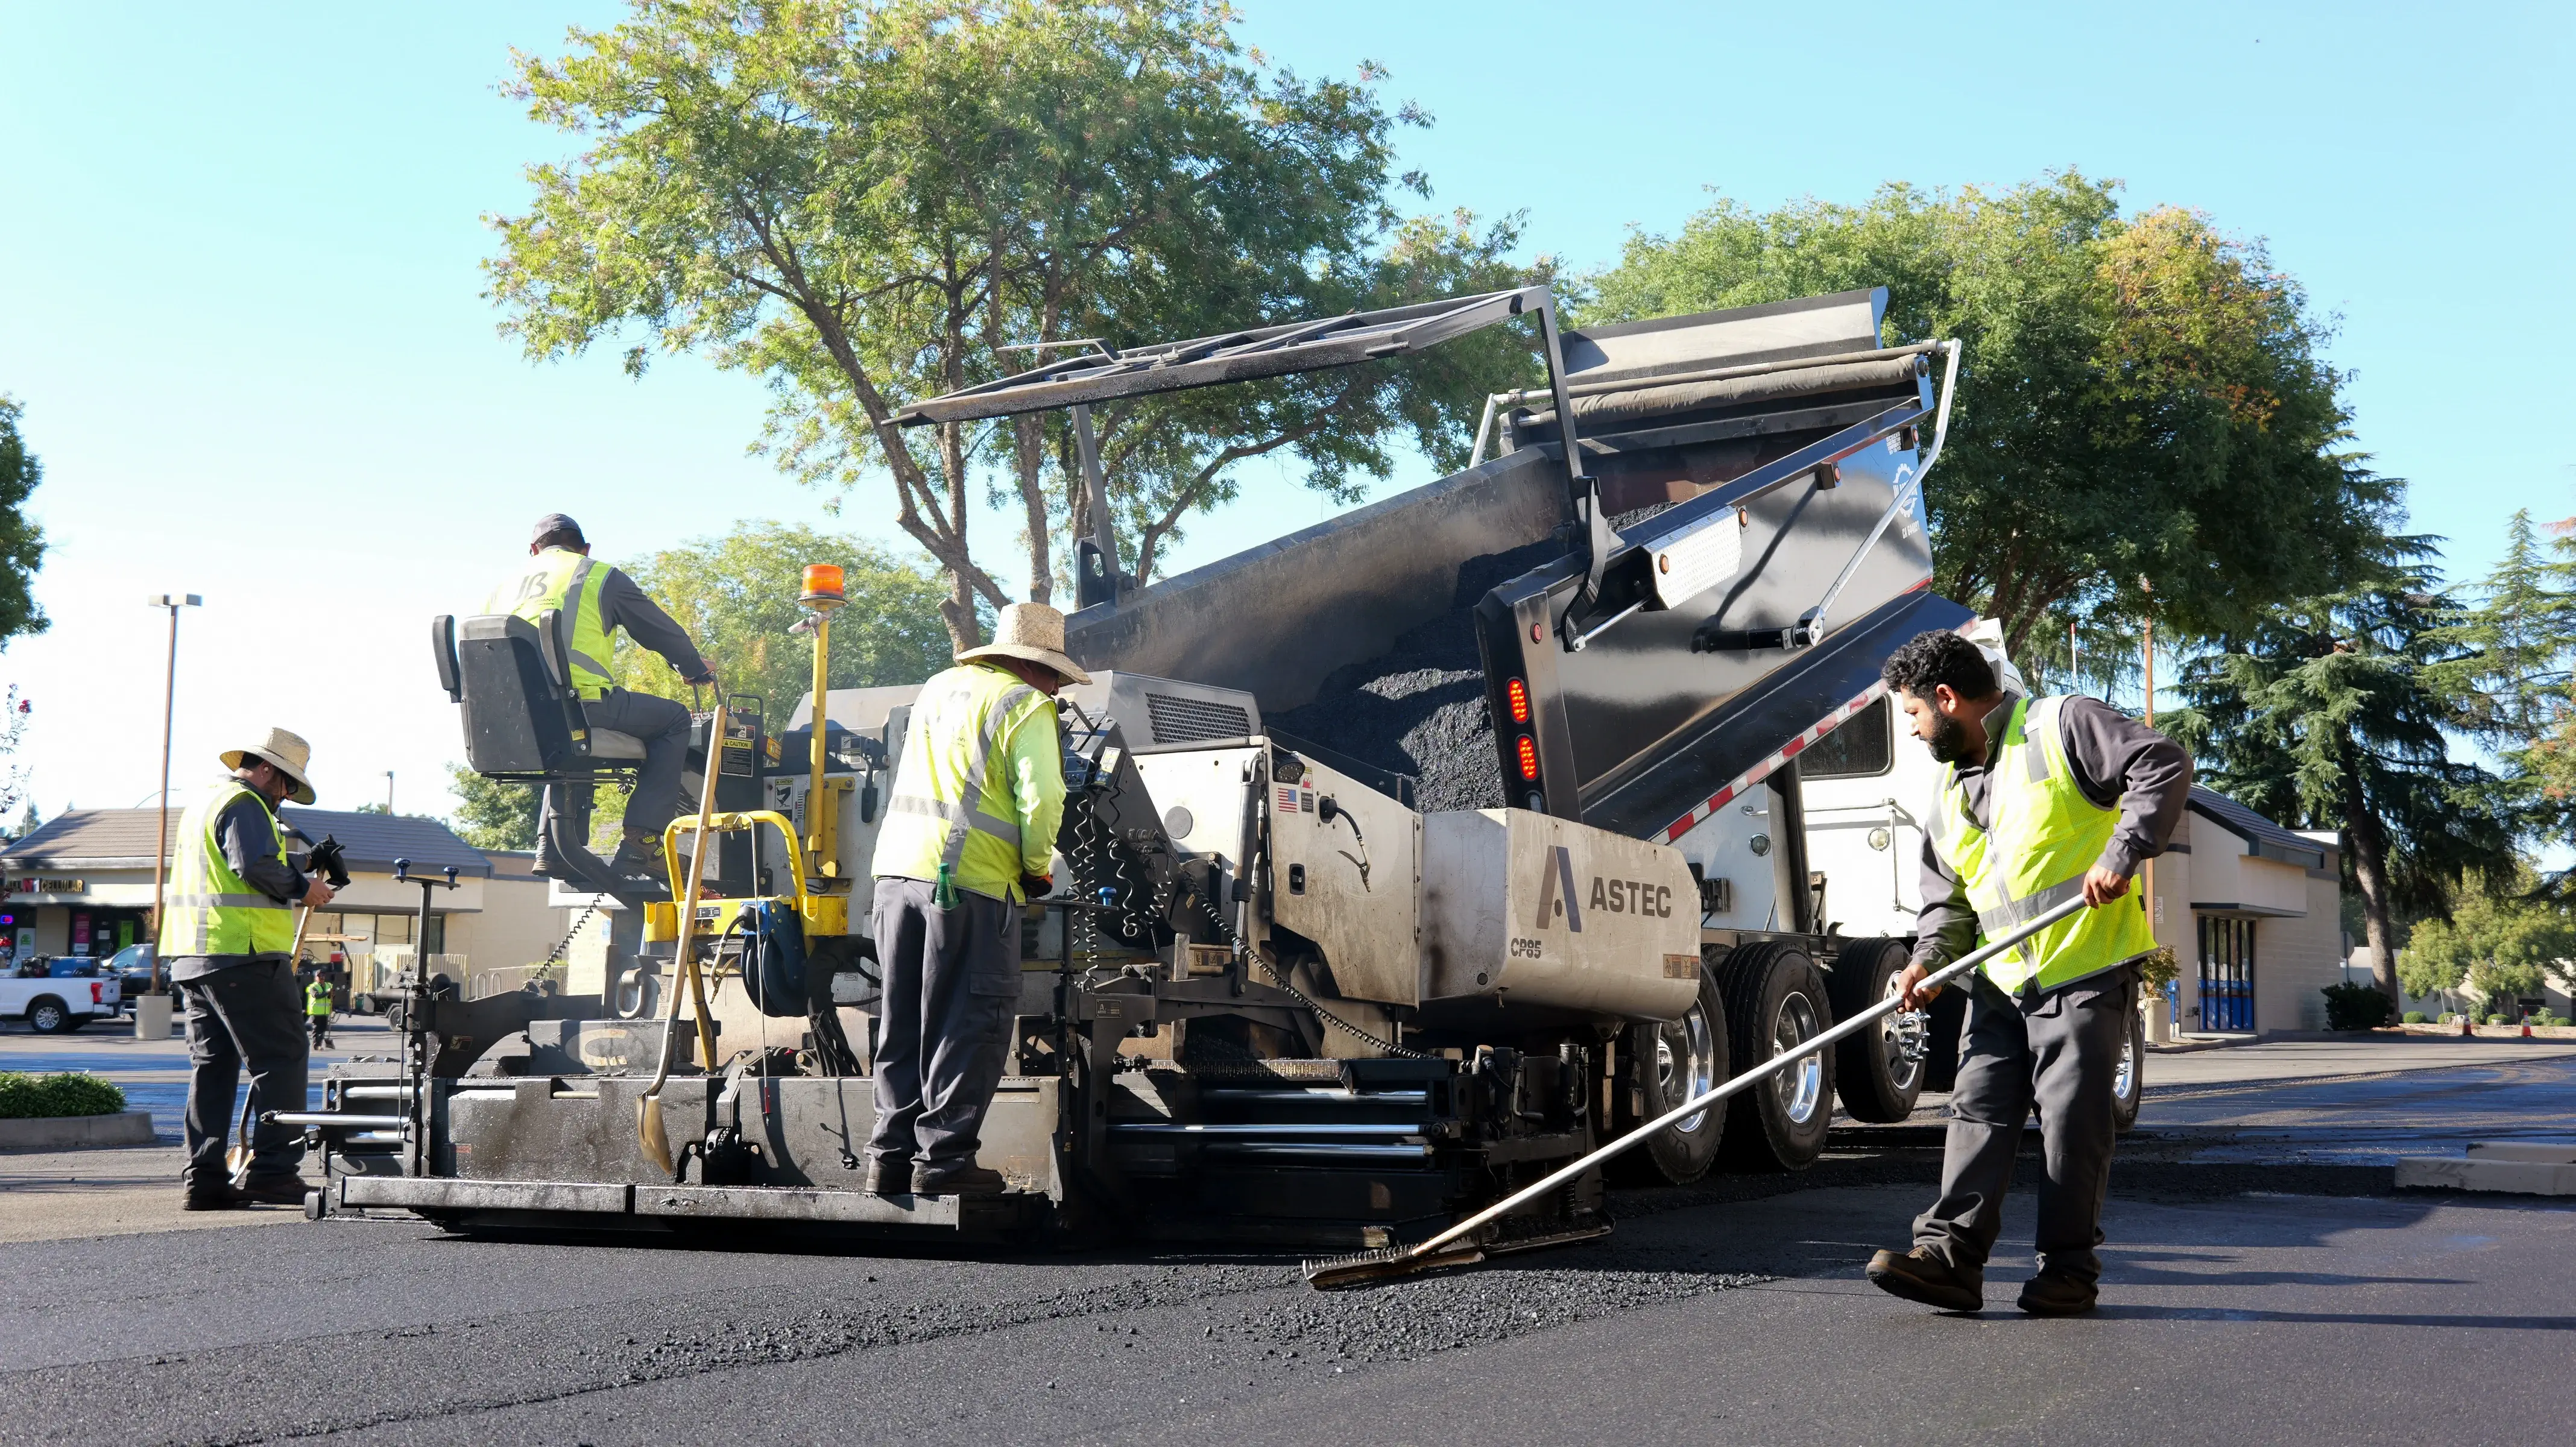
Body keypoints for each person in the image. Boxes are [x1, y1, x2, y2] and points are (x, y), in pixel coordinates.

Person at [1864, 629, 2189, 1317]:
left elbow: (2161, 764)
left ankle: (2067, 1274)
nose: (1916, 732)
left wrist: (2123, 853)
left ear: (1947, 699)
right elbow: (1947, 904)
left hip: (2083, 964)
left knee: (2072, 1126)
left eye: (1914, 716)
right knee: (1976, 1109)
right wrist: (1926, 963)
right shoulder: (1948, 795)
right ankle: (1950, 1261)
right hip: (2004, 979)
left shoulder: (2060, 726)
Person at [864, 602, 1082, 1198]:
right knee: (970, 1021)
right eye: (1056, 675)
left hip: (894, 879)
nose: (1058, 688)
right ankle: (944, 1163)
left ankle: (889, 1159)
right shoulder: (1025, 703)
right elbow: (1045, 799)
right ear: (1033, 666)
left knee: (903, 1018)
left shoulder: (940, 688)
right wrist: (1037, 869)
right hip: (971, 885)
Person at [490, 514, 718, 888]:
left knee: (559, 738)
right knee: (675, 720)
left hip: (516, 719)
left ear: (533, 550)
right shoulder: (595, 575)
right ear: (585, 549)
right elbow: (659, 630)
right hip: (583, 704)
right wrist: (693, 668)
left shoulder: (502, 588)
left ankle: (549, 846)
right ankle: (644, 841)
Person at [161, 728, 337, 1211]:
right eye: (284, 785)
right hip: (244, 953)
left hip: (196, 958)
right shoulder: (246, 804)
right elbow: (254, 867)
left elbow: (235, 862)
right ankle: (273, 1173)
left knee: (214, 1070)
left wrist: (303, 863)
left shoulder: (207, 802)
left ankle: (206, 1179)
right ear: (265, 769)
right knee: (282, 1058)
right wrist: (305, 888)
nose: (283, 796)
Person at [305, 973, 333, 1048]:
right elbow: (316, 996)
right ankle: (316, 1044)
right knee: (317, 1028)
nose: (322, 977)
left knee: (323, 1028)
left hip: (325, 1011)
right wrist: (327, 992)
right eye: (320, 976)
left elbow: (332, 996)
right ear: (316, 978)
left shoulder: (329, 985)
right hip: (316, 1011)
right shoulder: (313, 987)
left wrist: (332, 994)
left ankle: (320, 1043)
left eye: (323, 976)